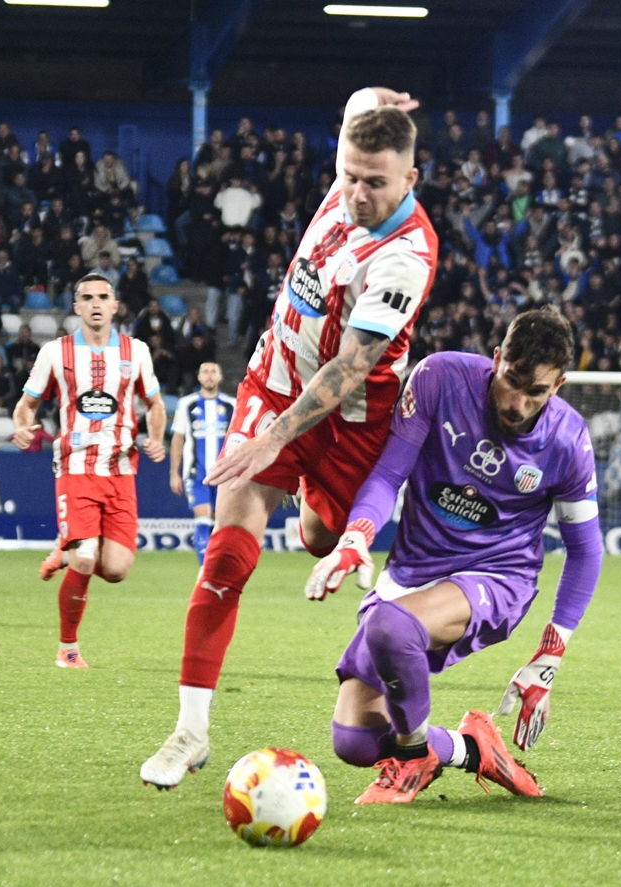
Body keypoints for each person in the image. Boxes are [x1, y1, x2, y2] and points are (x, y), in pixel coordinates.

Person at [139, 86, 438, 790]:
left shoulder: (405, 257)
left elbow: (350, 367)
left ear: (410, 178)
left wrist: (274, 442)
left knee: (320, 537)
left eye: (375, 183)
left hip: (353, 419)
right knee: (226, 558)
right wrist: (374, 98)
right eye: (349, 176)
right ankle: (190, 731)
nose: (357, 193)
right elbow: (358, 105)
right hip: (274, 383)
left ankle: (312, 502)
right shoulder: (351, 171)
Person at [306, 310, 602, 803]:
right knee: (356, 740)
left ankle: (412, 758)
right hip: (414, 570)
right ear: (496, 359)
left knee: (389, 628)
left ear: (559, 386)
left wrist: (549, 656)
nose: (519, 403)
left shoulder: (568, 440)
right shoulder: (440, 378)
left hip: (499, 576)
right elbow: (388, 475)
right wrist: (356, 536)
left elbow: (586, 551)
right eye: (512, 381)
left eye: (537, 392)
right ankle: (472, 748)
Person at [12, 273, 167, 669]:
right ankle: (68, 649)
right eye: (87, 298)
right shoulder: (55, 352)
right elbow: (26, 405)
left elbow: (155, 404)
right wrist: (22, 426)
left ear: (115, 306)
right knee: (86, 556)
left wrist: (155, 437)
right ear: (77, 307)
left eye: (103, 297)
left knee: (116, 570)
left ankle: (64, 552)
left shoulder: (137, 351)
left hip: (120, 470)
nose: (96, 303)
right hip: (75, 466)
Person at [169, 361, 235, 565]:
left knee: (219, 523)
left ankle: (216, 567)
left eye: (213, 372)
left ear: (220, 377)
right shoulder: (187, 404)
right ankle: (204, 569)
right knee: (203, 519)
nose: (209, 375)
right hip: (196, 473)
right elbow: (178, 439)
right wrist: (174, 473)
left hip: (224, 475)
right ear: (198, 377)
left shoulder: (231, 405)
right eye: (205, 372)